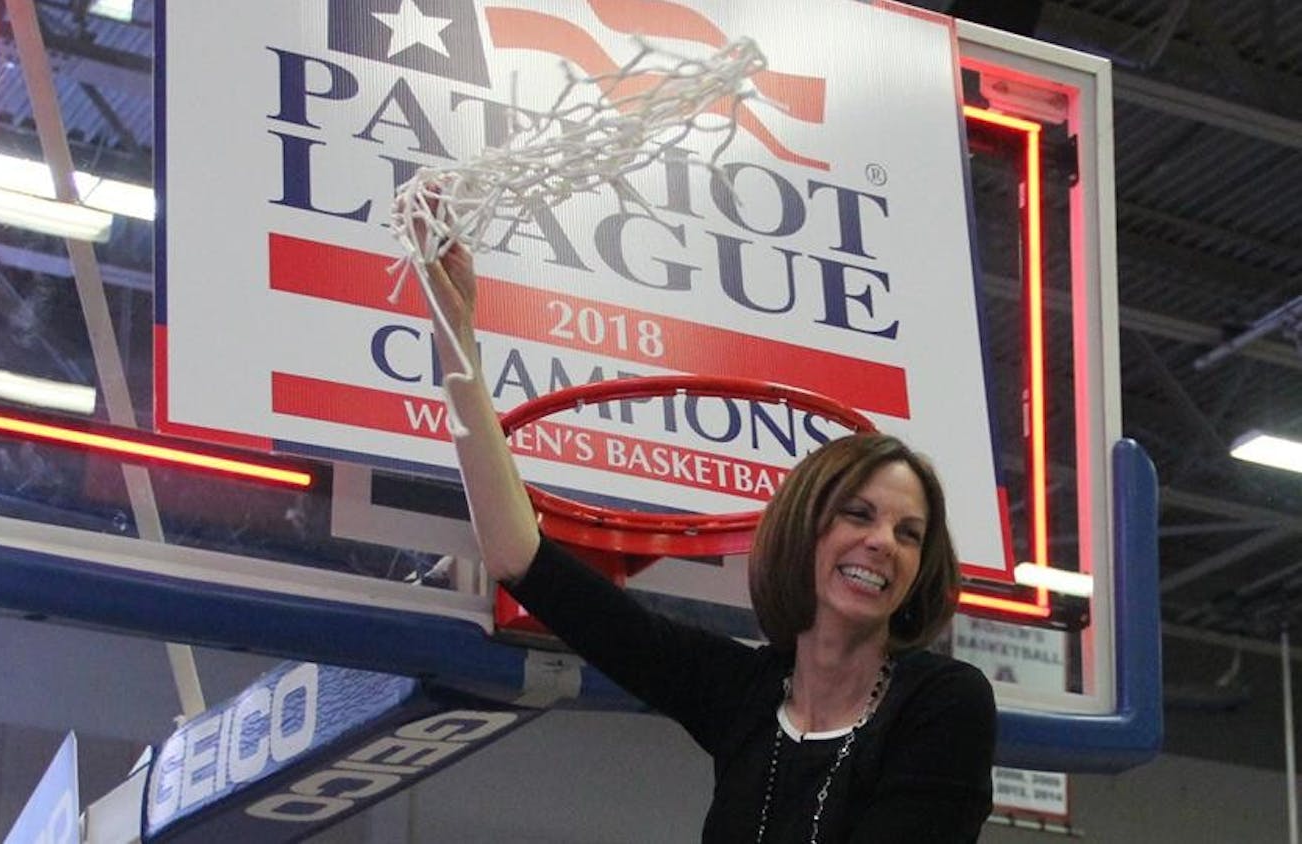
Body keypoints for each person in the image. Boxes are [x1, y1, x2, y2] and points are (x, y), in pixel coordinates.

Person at [422, 239, 996, 842]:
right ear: (804, 532)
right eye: (858, 515)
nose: (884, 543)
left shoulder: (943, 702)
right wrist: (456, 336)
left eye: (910, 534)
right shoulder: (744, 693)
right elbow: (520, 556)